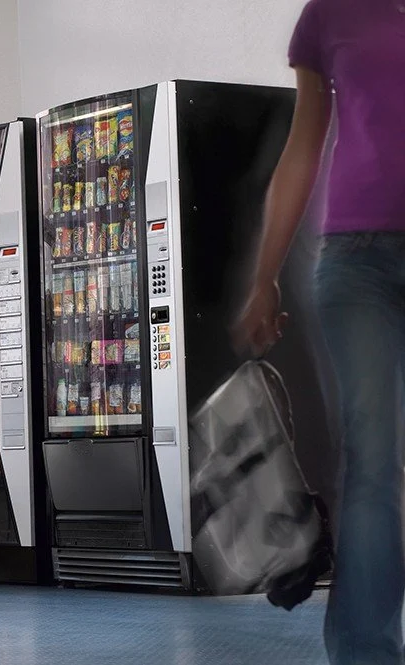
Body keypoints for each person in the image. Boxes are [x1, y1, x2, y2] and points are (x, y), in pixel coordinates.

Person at [234, 2, 405, 663]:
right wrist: (264, 276)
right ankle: (366, 651)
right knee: (373, 460)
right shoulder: (327, 15)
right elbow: (303, 148)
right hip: (355, 261)